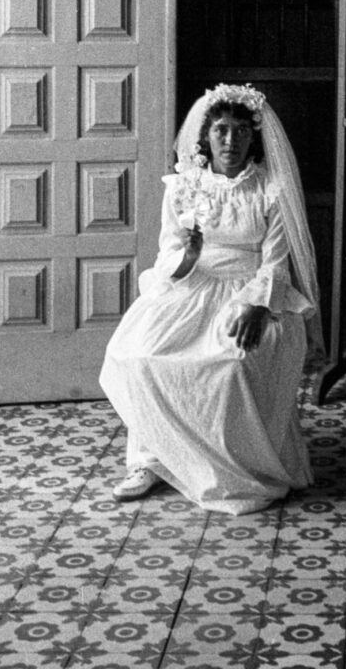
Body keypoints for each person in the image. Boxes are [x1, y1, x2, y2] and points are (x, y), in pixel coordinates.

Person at [99, 83, 324, 515]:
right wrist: (191, 255)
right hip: (192, 285)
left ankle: (235, 466)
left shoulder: (268, 190)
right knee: (136, 356)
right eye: (221, 129)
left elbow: (276, 264)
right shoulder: (184, 186)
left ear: (254, 137)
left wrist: (259, 307)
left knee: (229, 365)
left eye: (241, 131)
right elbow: (168, 257)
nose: (230, 141)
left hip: (249, 289)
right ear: (206, 136)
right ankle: (151, 459)